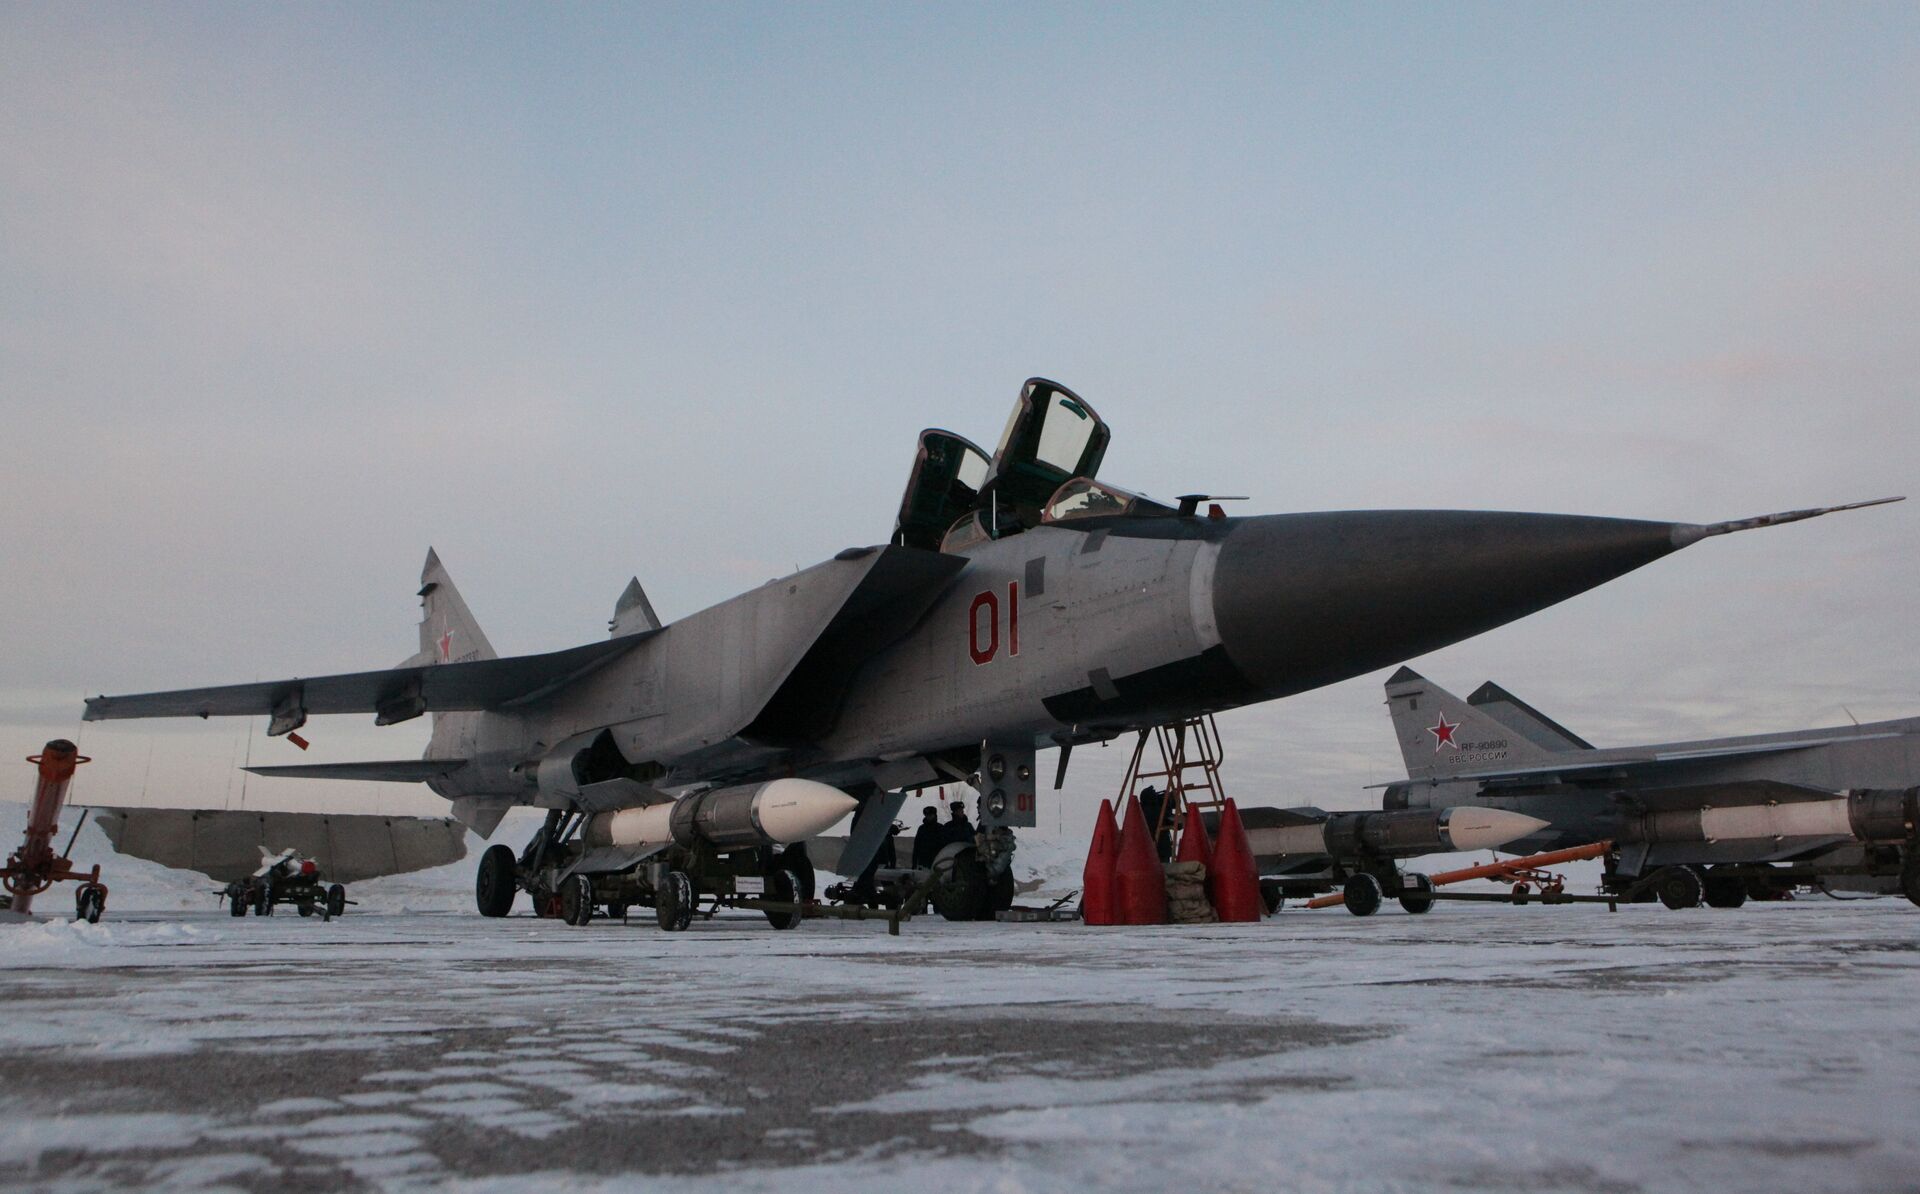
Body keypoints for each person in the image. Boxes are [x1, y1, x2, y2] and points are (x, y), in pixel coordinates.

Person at [910, 805, 944, 869]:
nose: (929, 817)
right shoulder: (922, 829)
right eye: (927, 815)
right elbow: (916, 846)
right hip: (923, 862)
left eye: (930, 815)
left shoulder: (940, 828)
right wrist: (914, 863)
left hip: (937, 861)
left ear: (934, 815)